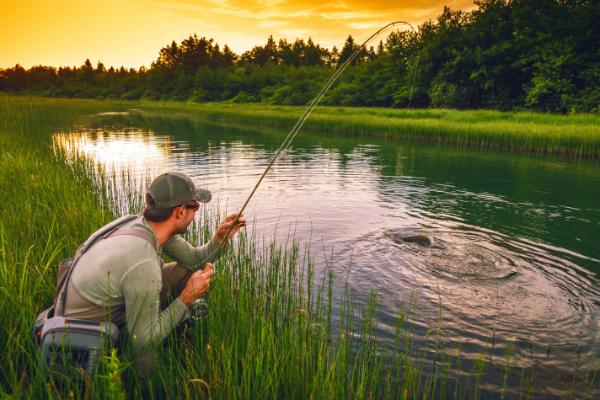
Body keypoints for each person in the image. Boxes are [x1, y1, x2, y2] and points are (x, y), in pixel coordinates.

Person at [57, 171, 246, 374]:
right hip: (86, 332)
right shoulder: (143, 260)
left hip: (99, 305)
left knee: (186, 270)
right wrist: (187, 298)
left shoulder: (144, 225)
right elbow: (143, 341)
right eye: (195, 207)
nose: (195, 214)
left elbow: (193, 261)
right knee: (147, 347)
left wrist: (220, 238)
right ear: (180, 211)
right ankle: (145, 385)